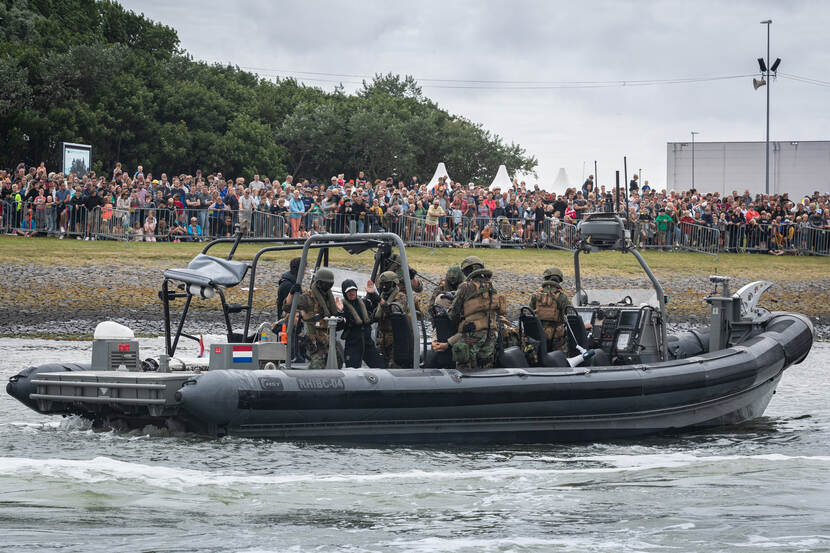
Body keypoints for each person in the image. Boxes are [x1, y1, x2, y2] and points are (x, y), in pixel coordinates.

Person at [447, 256, 504, 370]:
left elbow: (453, 313)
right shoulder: (492, 286)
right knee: (486, 368)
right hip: (491, 333)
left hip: (472, 333)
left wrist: (447, 310)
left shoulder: (465, 286)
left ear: (466, 271)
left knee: (463, 364)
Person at [295, 268, 343, 369]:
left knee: (338, 360)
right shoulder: (307, 297)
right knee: (317, 363)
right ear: (319, 283)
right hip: (313, 338)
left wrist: (340, 311)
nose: (327, 287)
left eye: (329, 284)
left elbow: (334, 316)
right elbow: (288, 308)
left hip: (328, 337)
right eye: (325, 284)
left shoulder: (329, 298)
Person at [340, 278, 383, 368]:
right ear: (344, 293)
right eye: (348, 291)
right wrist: (339, 313)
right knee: (351, 371)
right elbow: (338, 327)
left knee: (380, 367)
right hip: (353, 345)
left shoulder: (365, 303)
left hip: (368, 344)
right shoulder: (342, 307)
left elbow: (378, 306)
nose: (351, 293)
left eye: (353, 290)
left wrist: (372, 293)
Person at [373, 270, 411, 368]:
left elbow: (394, 311)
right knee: (381, 365)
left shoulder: (401, 297)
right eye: (382, 284)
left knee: (394, 366)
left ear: (394, 284)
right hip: (382, 338)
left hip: (396, 339)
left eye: (387, 284)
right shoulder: (383, 296)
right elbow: (376, 315)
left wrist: (381, 302)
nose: (384, 287)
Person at [530, 267, 570, 353]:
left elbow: (530, 313)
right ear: (559, 280)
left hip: (539, 332)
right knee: (558, 357)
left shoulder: (536, 295)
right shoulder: (562, 297)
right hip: (556, 334)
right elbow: (568, 315)